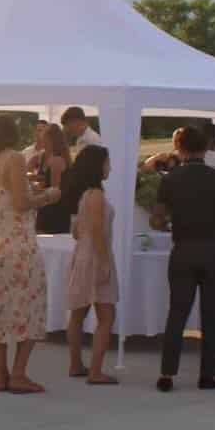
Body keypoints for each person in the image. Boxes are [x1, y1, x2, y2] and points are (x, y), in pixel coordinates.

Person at [0, 114, 63, 393]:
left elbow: (4, 198)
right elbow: (21, 203)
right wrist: (49, 195)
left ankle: (0, 374)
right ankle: (18, 373)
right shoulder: (13, 158)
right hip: (17, 243)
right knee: (29, 305)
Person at [150, 125, 215, 390]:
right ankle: (209, 374)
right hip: (214, 251)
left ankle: (167, 373)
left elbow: (156, 219)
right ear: (206, 145)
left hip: (183, 249)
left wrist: (168, 225)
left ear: (179, 147)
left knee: (177, 312)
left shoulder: (170, 179)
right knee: (211, 314)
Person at [62, 146, 119, 385]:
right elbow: (97, 231)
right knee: (106, 315)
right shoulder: (96, 195)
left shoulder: (85, 195)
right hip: (95, 256)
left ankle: (76, 364)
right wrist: (104, 260)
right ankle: (95, 371)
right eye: (107, 162)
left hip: (82, 254)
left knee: (78, 312)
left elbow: (77, 231)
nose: (110, 167)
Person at [34, 122, 72, 234]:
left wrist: (37, 191)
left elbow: (55, 191)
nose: (42, 142)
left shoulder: (57, 160)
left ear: (52, 141)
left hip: (55, 212)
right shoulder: (44, 157)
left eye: (44, 140)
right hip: (46, 209)